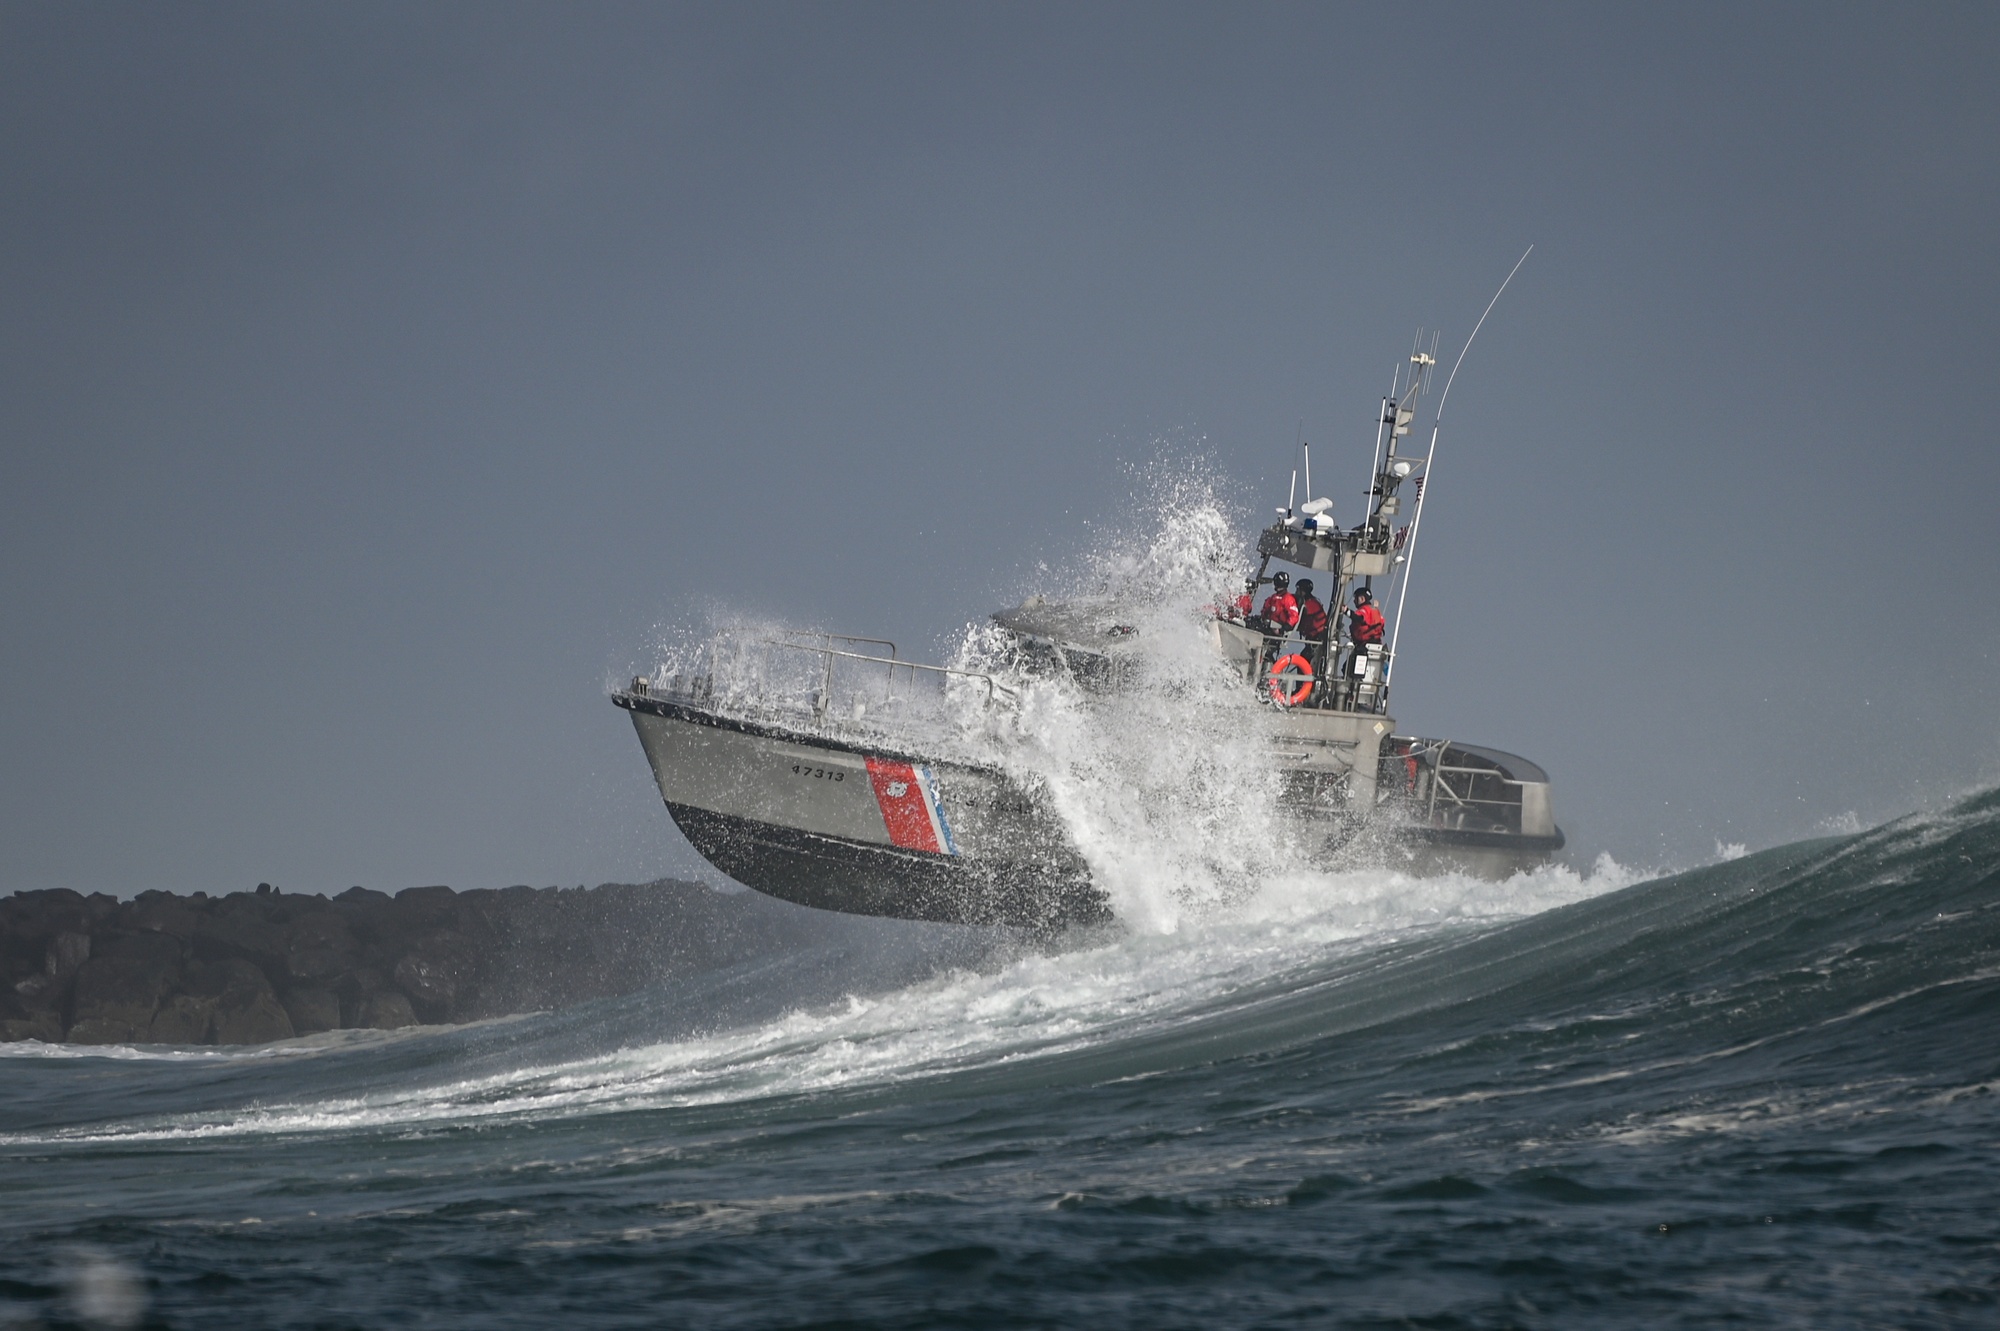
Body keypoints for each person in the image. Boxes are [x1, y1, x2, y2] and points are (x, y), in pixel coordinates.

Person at [1294, 578, 1329, 681]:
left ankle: (1302, 687)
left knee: (1303, 661)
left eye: (1298, 590)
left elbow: (1300, 618)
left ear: (1302, 591)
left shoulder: (1309, 604)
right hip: (1315, 638)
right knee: (1305, 659)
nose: (1296, 593)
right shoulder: (1313, 602)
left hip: (1316, 640)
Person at [1347, 585, 1385, 678]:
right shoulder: (1375, 611)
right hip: (1375, 645)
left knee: (1347, 669)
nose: (1354, 601)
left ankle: (1352, 685)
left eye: (1356, 598)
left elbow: (1359, 618)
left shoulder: (1364, 610)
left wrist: (1346, 611)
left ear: (1362, 598)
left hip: (1364, 646)